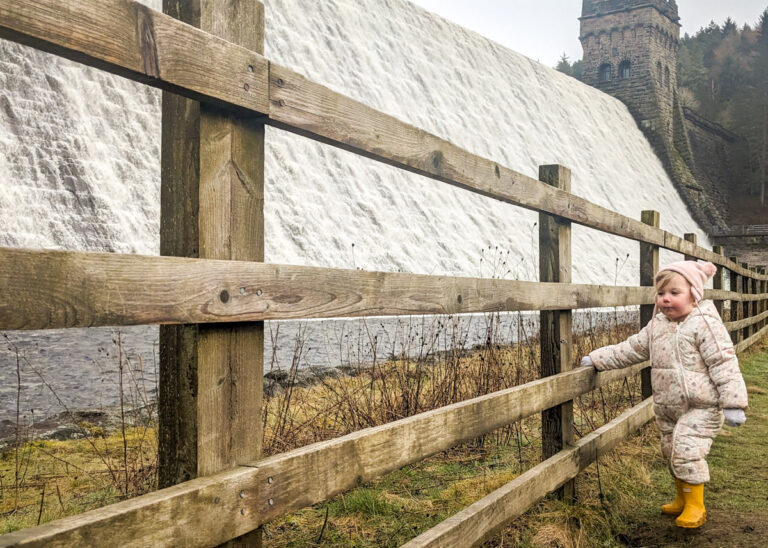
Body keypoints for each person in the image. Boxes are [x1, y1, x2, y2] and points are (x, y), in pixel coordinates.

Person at [580, 260, 748, 529]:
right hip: (668, 405)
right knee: (670, 450)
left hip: (702, 406)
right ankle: (682, 498)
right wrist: (598, 358)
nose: (666, 299)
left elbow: (723, 362)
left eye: (674, 293)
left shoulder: (704, 324)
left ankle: (696, 506)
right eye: (661, 294)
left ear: (694, 295)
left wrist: (733, 403)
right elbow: (632, 349)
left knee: (686, 450)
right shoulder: (657, 326)